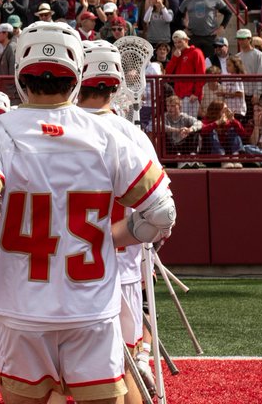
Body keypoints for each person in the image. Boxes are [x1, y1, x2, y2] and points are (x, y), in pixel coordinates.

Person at [0, 22, 175, 404]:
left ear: (22, 69)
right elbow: (161, 214)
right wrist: (108, 238)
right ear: (76, 74)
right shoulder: (110, 133)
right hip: (90, 305)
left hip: (20, 307)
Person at [74, 40, 164, 399]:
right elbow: (162, 213)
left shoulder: (55, 130)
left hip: (60, 269)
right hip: (121, 265)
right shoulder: (133, 135)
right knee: (122, 370)